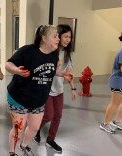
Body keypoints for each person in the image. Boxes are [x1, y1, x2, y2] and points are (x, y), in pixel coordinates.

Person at [6, 25, 73, 156]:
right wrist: (17, 71)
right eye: (55, 36)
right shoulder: (27, 51)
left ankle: (24, 145)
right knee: (18, 129)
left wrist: (62, 74)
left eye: (58, 36)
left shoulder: (54, 55)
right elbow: (8, 64)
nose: (58, 39)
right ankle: (12, 152)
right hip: (20, 97)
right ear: (43, 38)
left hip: (38, 99)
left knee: (34, 128)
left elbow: (50, 70)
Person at [33, 24, 77, 153]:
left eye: (70, 37)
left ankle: (50, 139)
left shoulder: (68, 55)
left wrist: (73, 89)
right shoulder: (51, 51)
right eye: (65, 36)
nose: (68, 39)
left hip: (59, 89)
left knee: (58, 116)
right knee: (48, 116)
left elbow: (69, 74)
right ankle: (35, 130)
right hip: (46, 89)